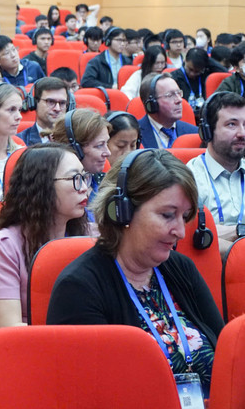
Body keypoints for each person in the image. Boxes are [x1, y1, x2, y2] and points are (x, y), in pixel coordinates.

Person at [47, 149, 224, 398]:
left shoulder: (181, 268)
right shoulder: (78, 288)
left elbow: (227, 357)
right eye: (167, 215)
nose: (181, 232)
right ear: (122, 211)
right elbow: (91, 394)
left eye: (184, 217)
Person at [0, 143, 90, 329]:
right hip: (26, 349)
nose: (84, 188)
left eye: (85, 178)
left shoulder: (89, 238)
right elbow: (10, 327)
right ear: (42, 186)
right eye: (75, 178)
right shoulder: (4, 245)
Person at [187, 92, 245, 257]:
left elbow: (206, 234)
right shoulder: (189, 178)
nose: (242, 133)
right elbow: (191, 237)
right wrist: (238, 232)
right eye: (232, 124)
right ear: (207, 131)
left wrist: (220, 235)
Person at [52, 108, 111, 219]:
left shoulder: (103, 184)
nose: (108, 153)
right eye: (99, 145)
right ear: (74, 149)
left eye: (106, 144)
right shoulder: (57, 195)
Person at [137, 73, 198, 149]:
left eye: (179, 93)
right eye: (170, 95)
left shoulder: (194, 133)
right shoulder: (135, 135)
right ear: (151, 104)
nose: (179, 100)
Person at [17, 77, 69, 146]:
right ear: (35, 103)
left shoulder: (76, 141)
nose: (57, 109)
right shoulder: (20, 142)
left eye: (62, 103)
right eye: (50, 102)